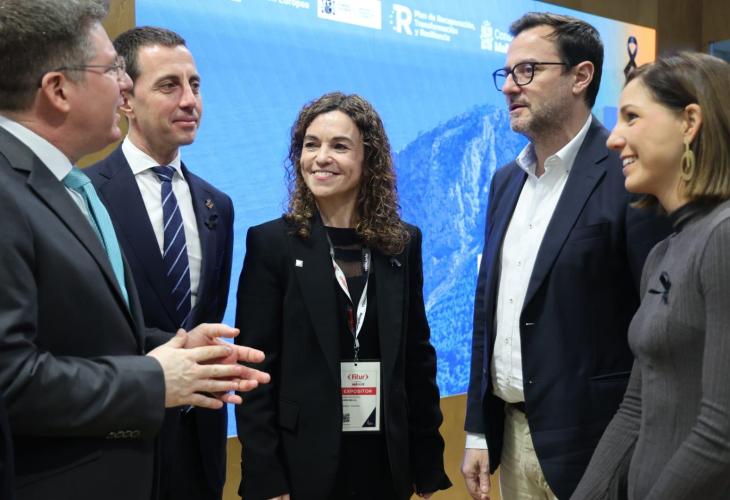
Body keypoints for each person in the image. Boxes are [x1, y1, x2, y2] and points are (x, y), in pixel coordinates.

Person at [0, 2, 269, 499]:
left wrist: (183, 350)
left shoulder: (67, 187)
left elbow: (86, 328)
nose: (122, 85)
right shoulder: (23, 192)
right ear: (58, 90)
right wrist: (155, 376)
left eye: (195, 84)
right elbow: (11, 378)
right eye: (111, 71)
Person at [461, 12, 671, 500]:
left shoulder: (629, 175)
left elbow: (659, 332)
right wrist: (476, 428)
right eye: (507, 73)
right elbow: (487, 309)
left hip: (599, 449)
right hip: (512, 436)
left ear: (581, 77)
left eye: (527, 70)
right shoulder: (505, 182)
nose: (510, 87)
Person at [234, 91, 451, 500]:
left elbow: (417, 359)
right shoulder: (272, 244)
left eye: (339, 146)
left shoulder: (401, 244)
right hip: (301, 464)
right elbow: (254, 374)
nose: (320, 158)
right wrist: (266, 477)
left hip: (384, 461)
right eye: (310, 145)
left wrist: (427, 460)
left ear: (369, 159)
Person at [572, 51, 730, 500]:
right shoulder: (664, 252)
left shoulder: (723, 236)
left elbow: (722, 432)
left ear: (690, 122)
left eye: (632, 117)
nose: (613, 138)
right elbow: (635, 408)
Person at [86, 26, 233, 500]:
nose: (190, 101)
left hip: (199, 450)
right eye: (169, 85)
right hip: (118, 444)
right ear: (125, 99)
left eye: (195, 85)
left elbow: (204, 321)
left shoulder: (216, 206)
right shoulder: (83, 196)